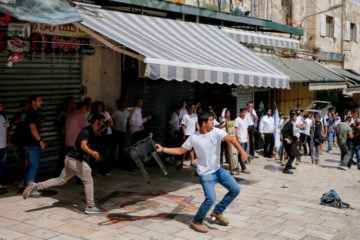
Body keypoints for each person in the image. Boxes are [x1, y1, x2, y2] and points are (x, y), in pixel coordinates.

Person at [154, 112, 248, 233]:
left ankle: (217, 212)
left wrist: (242, 152)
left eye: (213, 120)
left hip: (218, 170)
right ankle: (196, 221)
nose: (213, 122)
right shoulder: (194, 137)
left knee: (235, 189)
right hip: (206, 174)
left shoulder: (216, 132)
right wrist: (163, 149)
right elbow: (180, 150)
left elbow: (231, 139)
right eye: (210, 120)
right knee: (210, 198)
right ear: (203, 123)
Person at [22, 114, 106, 215]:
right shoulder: (86, 131)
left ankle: (36, 186)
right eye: (102, 121)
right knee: (88, 180)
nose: (104, 123)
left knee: (60, 180)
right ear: (97, 121)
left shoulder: (91, 131)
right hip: (75, 160)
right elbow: (83, 145)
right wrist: (92, 152)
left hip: (70, 159)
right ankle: (90, 206)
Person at [21, 95, 46, 188]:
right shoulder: (32, 113)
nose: (41, 102)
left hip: (27, 143)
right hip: (32, 144)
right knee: (33, 166)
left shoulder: (27, 113)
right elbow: (32, 128)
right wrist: (40, 141)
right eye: (39, 100)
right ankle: (29, 189)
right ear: (33, 102)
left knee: (29, 165)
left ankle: (25, 185)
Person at [112, 98, 129, 169]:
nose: (122, 105)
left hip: (123, 132)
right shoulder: (115, 112)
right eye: (121, 104)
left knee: (122, 149)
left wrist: (127, 132)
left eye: (123, 104)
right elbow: (112, 122)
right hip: (116, 132)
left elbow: (127, 123)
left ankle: (120, 163)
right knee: (114, 148)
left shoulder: (127, 112)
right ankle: (113, 163)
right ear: (118, 105)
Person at [234, 108, 250, 173]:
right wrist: (237, 138)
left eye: (245, 112)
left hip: (245, 139)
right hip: (240, 139)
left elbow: (246, 129)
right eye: (243, 112)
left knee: (242, 153)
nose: (244, 114)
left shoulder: (246, 120)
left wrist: (248, 137)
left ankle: (236, 165)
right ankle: (243, 168)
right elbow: (236, 129)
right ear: (240, 113)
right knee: (241, 153)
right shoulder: (237, 119)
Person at [0, 100, 10, 192]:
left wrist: (8, 141)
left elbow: (7, 130)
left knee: (2, 165)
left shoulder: (5, 116)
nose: (2, 107)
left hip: (3, 145)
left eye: (3, 105)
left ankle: (2, 184)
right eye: (0, 105)